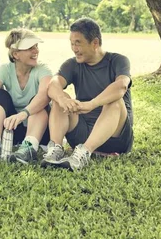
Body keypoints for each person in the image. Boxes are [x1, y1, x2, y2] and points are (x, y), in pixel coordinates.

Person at [42, 17, 133, 171]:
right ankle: (56, 149)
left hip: (115, 137)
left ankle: (84, 153)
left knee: (115, 101)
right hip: (81, 133)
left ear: (95, 43)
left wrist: (91, 104)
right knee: (60, 97)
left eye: (78, 43)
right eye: (71, 43)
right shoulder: (72, 64)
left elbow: (121, 86)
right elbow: (53, 85)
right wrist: (62, 99)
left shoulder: (118, 61)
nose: (74, 48)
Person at [0, 28, 51, 165]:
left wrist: (22, 114)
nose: (36, 51)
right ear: (15, 54)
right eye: (30, 48)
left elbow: (44, 97)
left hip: (40, 131)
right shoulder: (5, 70)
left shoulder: (42, 69)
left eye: (36, 46)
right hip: (13, 129)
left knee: (38, 101)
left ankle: (29, 148)